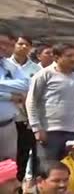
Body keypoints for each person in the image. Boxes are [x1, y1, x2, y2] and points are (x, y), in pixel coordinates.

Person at [26, 43, 74, 161]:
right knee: (48, 169)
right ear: (56, 58)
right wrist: (37, 128)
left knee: (69, 168)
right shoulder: (44, 74)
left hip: (72, 131)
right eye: (69, 56)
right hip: (49, 132)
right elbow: (31, 101)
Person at [9, 36, 41, 181]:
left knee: (22, 155)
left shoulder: (36, 69)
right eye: (20, 43)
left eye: (27, 44)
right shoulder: (4, 65)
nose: (23, 47)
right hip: (6, 120)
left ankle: (19, 185)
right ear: (14, 45)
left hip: (25, 121)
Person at [0, 23, 29, 160]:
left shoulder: (9, 66)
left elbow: (25, 85)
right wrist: (10, 95)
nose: (3, 47)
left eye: (7, 44)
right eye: (0, 42)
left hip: (8, 126)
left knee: (9, 168)